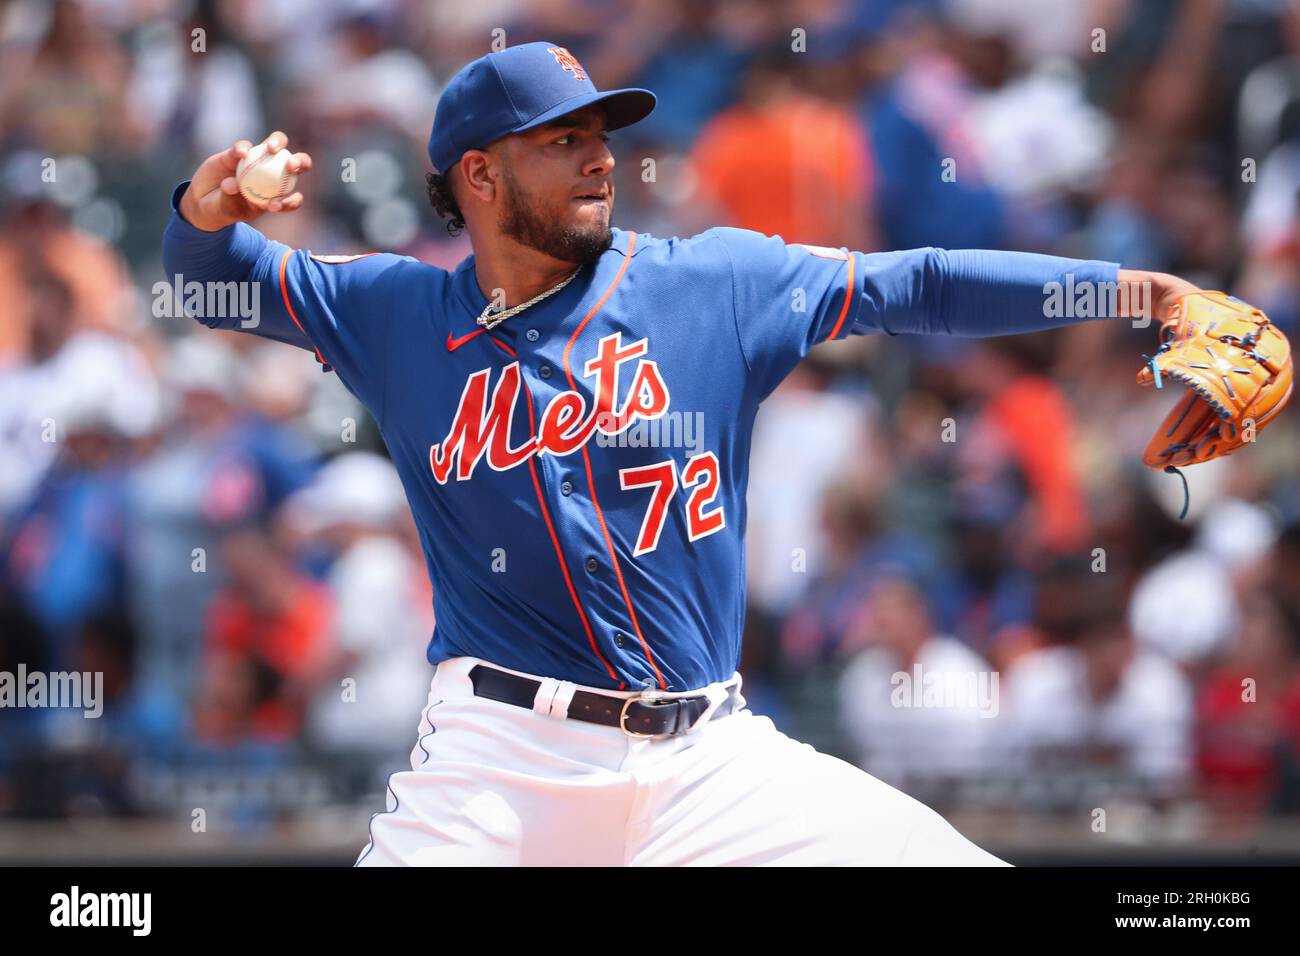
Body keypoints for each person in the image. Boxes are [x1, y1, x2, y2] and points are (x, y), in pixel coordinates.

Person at [162, 41, 1199, 866]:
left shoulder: (713, 283)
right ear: (477, 174)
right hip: (503, 764)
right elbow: (208, 273)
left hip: (711, 756)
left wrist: (1141, 292)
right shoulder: (392, 311)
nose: (599, 155)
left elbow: (913, 281)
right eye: (560, 139)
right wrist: (209, 205)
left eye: (599, 134)